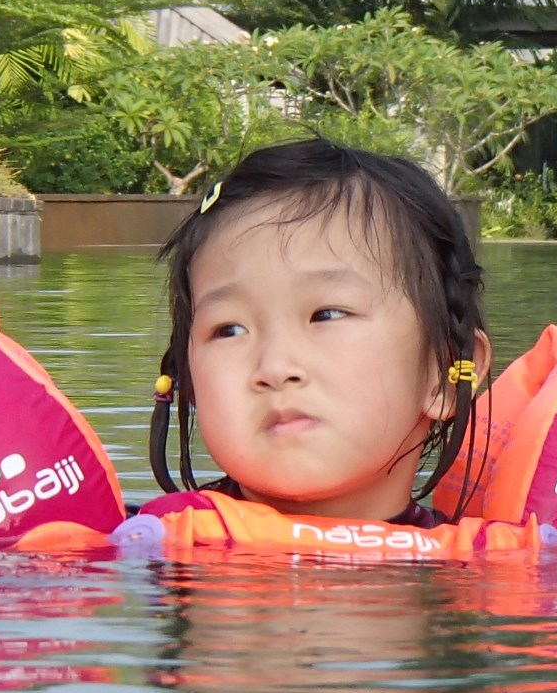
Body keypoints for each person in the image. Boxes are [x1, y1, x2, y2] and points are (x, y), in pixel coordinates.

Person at [142, 138, 491, 529]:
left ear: (445, 371)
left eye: (326, 314)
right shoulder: (138, 546)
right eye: (229, 329)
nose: (275, 367)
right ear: (188, 382)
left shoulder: (505, 568)